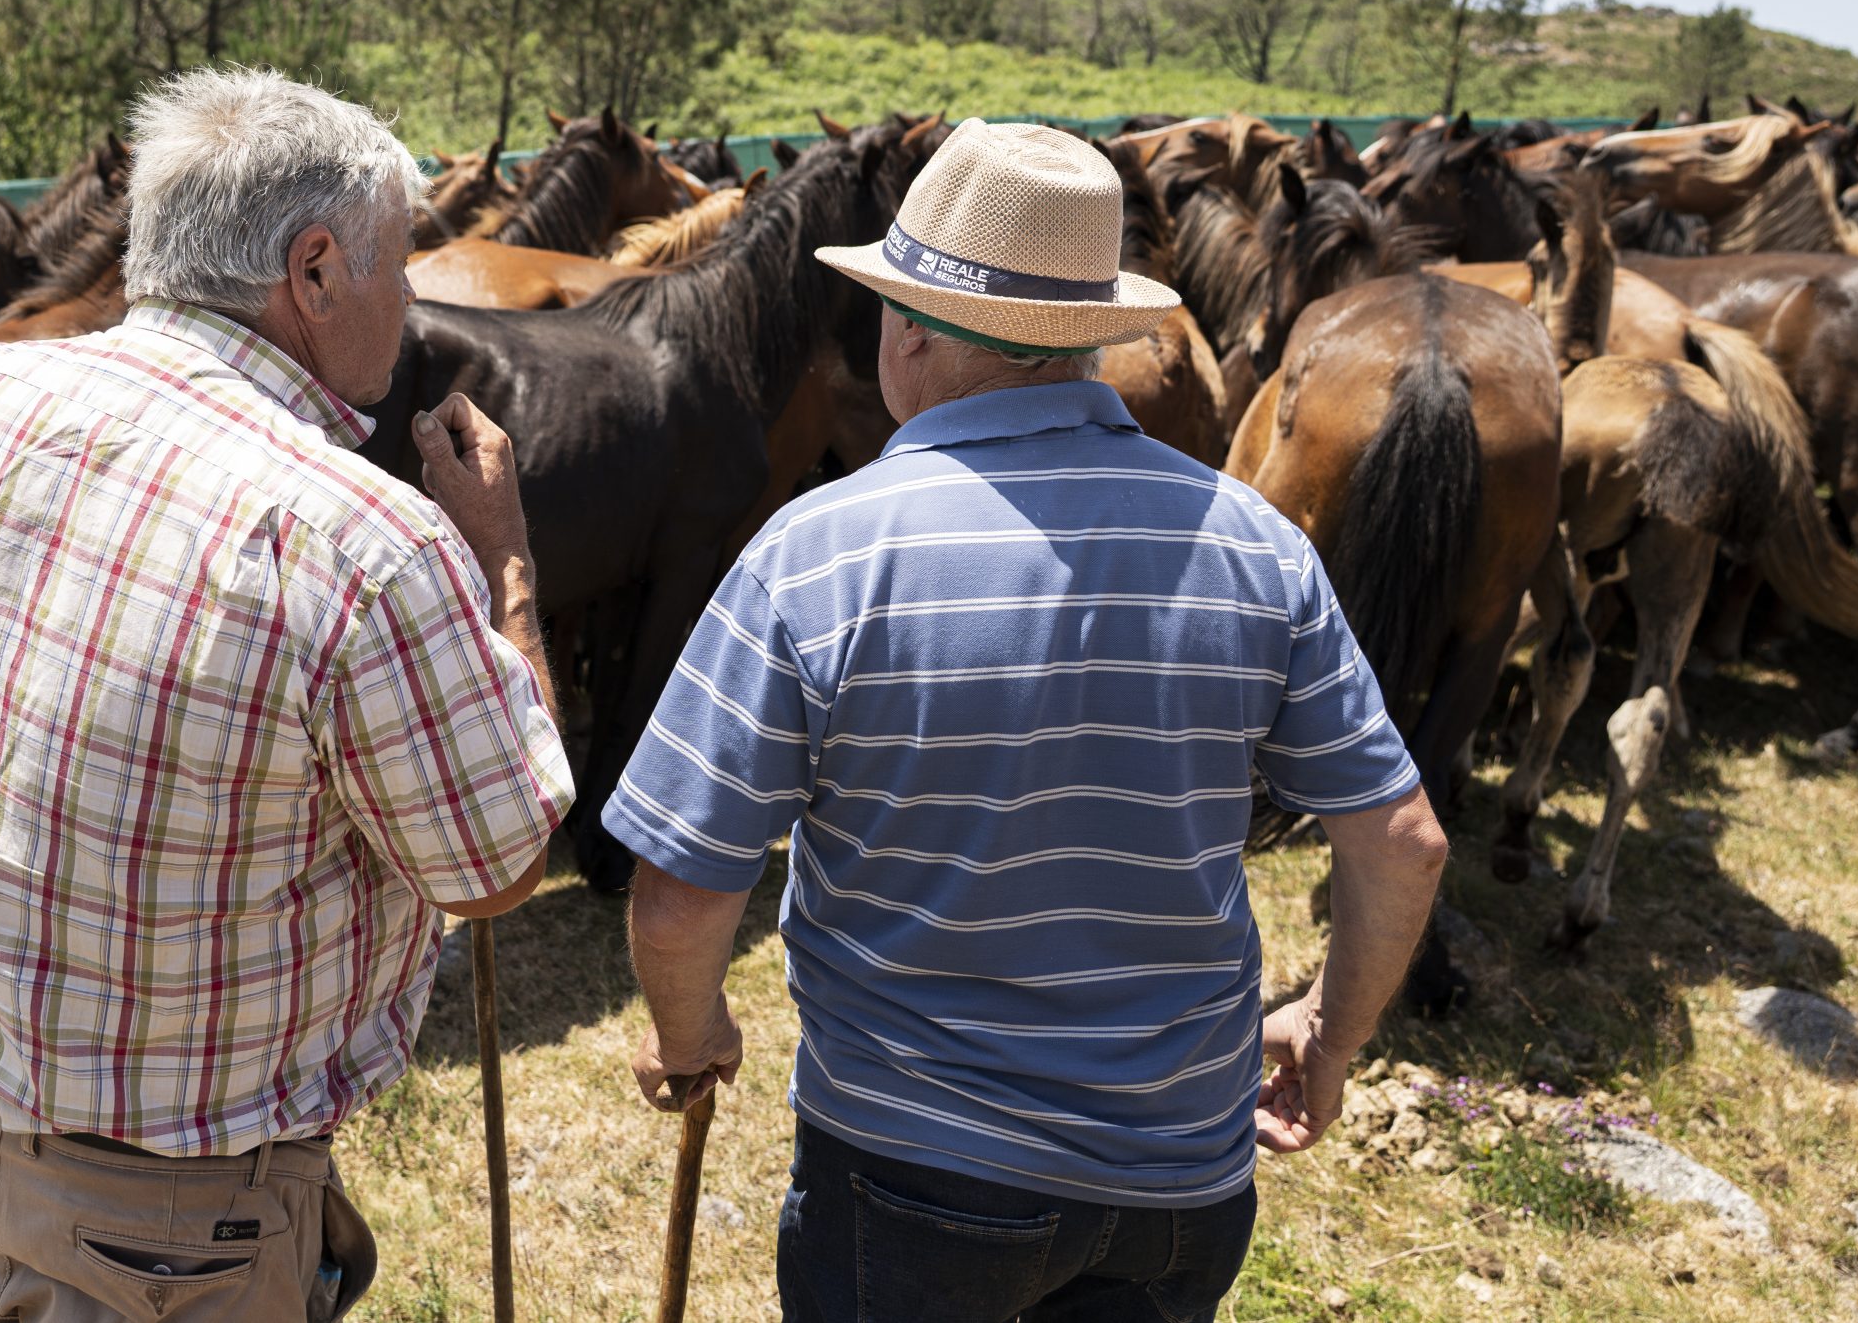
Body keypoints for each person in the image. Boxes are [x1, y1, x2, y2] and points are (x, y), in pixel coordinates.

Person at [0, 66, 574, 1322]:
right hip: (181, 1227)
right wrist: (501, 555)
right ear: (317, 267)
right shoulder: (357, 538)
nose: (408, 295)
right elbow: (495, 861)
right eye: (399, 261)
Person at [605, 119, 1448, 1322]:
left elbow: (680, 888)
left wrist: (690, 1036)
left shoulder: (819, 551)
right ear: (1094, 333)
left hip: (912, 1165)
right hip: (1179, 1177)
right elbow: (1402, 842)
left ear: (906, 329)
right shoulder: (1254, 544)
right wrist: (1328, 1029)